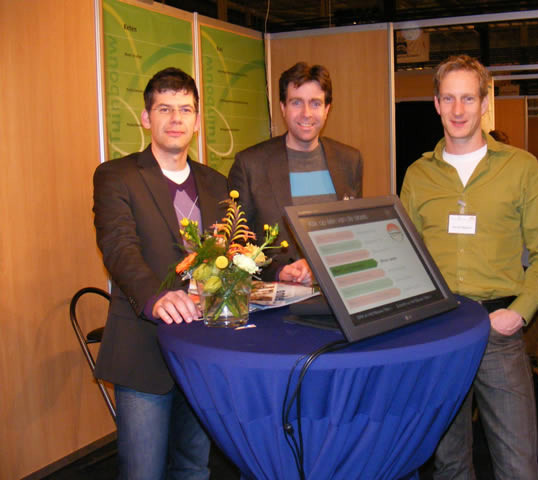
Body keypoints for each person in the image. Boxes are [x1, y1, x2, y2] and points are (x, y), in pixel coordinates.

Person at [400, 54, 538, 480]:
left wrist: (519, 312)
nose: (458, 110)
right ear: (436, 103)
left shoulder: (520, 167)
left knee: (518, 464)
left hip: (499, 328)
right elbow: (407, 256)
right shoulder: (418, 175)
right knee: (450, 463)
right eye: (449, 98)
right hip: (441, 331)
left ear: (485, 103)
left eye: (468, 98)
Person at [93, 67, 228, 479]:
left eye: (185, 109)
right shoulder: (117, 176)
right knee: (142, 471)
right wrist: (157, 297)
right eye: (164, 109)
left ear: (197, 120)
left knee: (193, 467)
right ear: (146, 117)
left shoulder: (217, 184)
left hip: (202, 350)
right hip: (143, 347)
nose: (175, 119)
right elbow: (119, 248)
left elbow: (228, 255)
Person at [229, 61, 363, 284]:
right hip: (281, 292)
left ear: (327, 109)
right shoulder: (250, 165)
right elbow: (237, 246)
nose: (306, 113)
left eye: (315, 103)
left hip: (339, 287)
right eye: (296, 102)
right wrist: (278, 272)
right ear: (283, 107)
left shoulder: (349, 160)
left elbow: (353, 232)